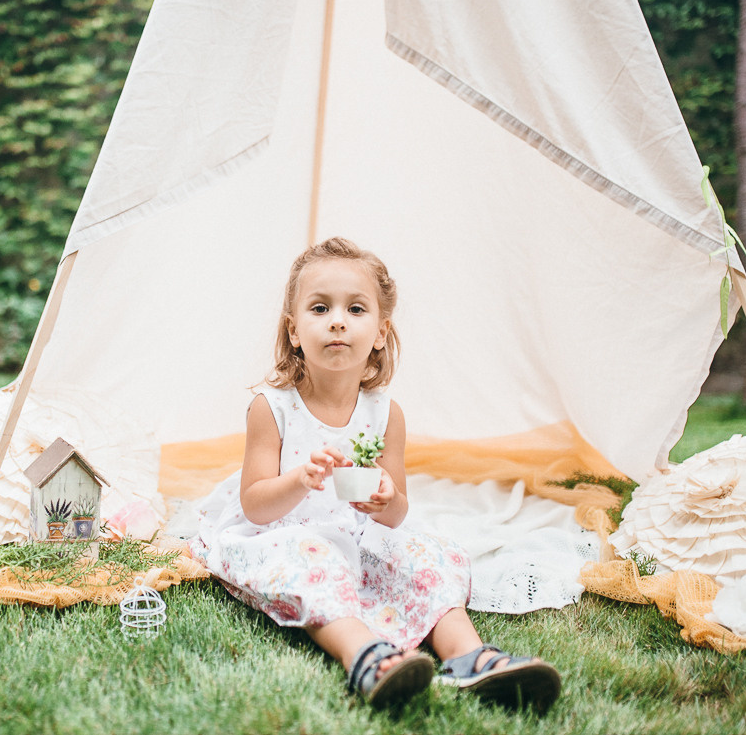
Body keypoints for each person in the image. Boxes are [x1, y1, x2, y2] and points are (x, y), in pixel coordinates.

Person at [192, 237, 561, 712]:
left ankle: (471, 657)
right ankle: (365, 656)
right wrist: (299, 479)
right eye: (320, 308)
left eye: (356, 309)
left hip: (356, 533)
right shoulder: (273, 408)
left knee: (425, 556)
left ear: (381, 332)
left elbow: (397, 512)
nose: (338, 320)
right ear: (294, 331)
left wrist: (386, 500)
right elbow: (255, 504)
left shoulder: (385, 413)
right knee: (312, 566)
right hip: (284, 535)